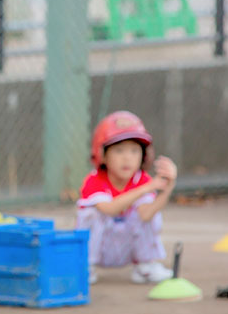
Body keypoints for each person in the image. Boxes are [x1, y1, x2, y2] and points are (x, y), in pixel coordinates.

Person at [76, 110, 178, 285]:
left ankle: (145, 268)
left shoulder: (142, 180)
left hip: (126, 249)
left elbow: (146, 215)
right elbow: (110, 209)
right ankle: (85, 268)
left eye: (134, 151)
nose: (127, 158)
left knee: (149, 213)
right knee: (93, 214)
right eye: (119, 150)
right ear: (103, 155)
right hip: (100, 250)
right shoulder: (94, 180)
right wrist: (147, 188)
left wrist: (167, 189)